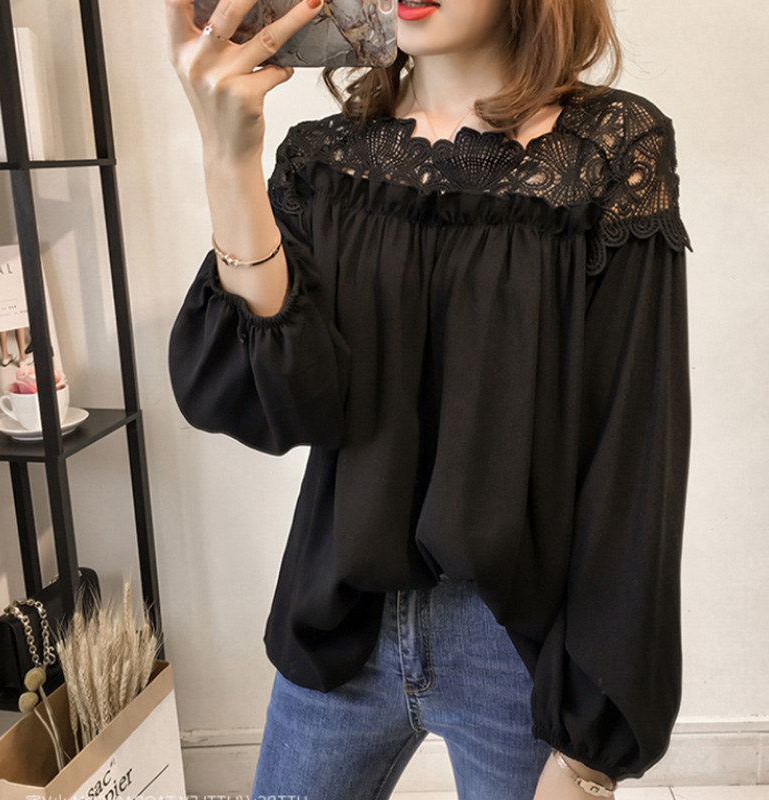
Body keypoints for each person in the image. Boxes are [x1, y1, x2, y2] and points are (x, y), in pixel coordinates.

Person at [164, 0, 693, 796]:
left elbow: (635, 450)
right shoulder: (324, 157)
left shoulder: (610, 150)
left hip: (519, 648)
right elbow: (282, 401)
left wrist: (590, 751)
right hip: (339, 619)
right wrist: (227, 159)